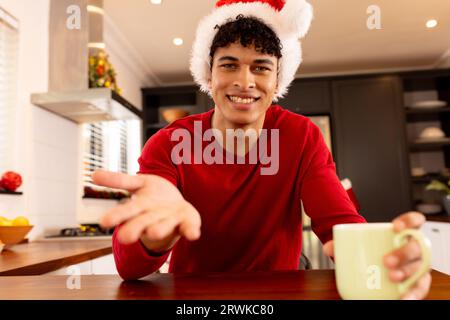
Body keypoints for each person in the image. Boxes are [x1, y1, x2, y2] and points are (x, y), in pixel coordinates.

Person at [92, 0, 431, 299]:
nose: (245, 81)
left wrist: (380, 260)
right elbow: (128, 268)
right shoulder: (169, 143)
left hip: (279, 292)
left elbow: (338, 225)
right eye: (228, 65)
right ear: (209, 76)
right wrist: (158, 236)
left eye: (261, 67)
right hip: (193, 297)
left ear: (277, 80)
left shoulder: (301, 136)